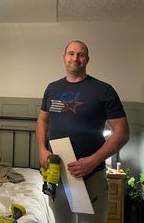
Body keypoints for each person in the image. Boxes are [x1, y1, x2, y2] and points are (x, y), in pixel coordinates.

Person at [36, 40, 130, 223]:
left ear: (87, 59)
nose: (75, 58)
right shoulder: (52, 88)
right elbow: (42, 119)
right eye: (71, 53)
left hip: (91, 175)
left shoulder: (104, 90)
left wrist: (93, 161)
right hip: (58, 173)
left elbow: (122, 132)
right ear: (64, 57)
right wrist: (41, 148)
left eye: (80, 54)